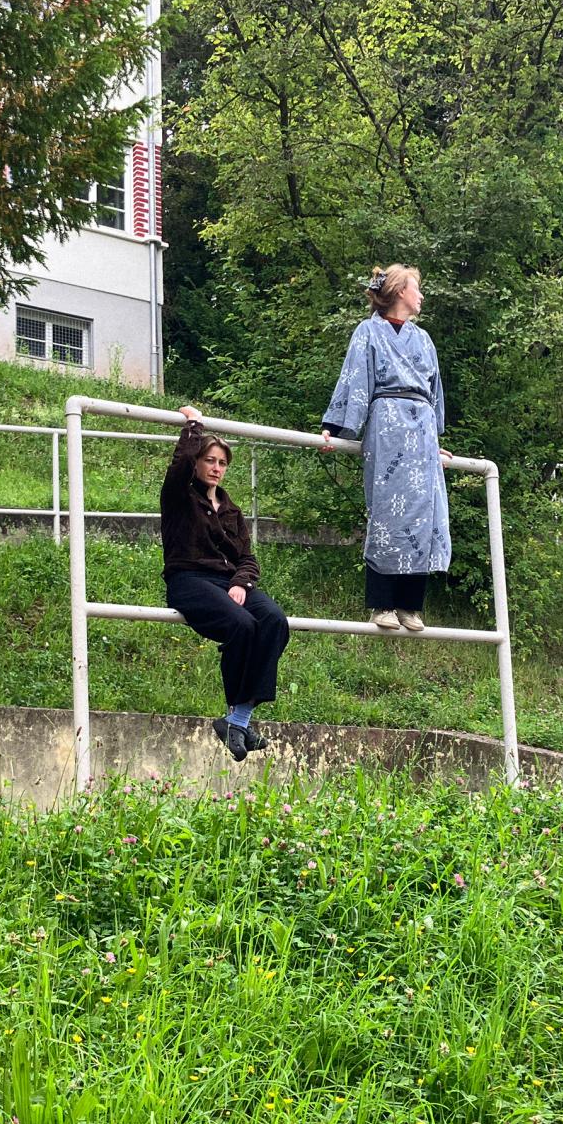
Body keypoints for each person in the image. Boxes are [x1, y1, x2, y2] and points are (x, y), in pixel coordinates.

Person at [319, 264, 454, 631]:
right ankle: (381, 604)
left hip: (422, 428)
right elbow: (355, 377)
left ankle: (411, 605)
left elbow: (435, 392)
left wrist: (435, 445)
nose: (422, 296)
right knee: (387, 514)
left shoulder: (423, 339)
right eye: (417, 289)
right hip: (388, 424)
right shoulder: (369, 332)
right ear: (398, 292)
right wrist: (336, 428)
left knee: (425, 514)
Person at [161, 405, 291, 762]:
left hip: (230, 582)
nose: (216, 468)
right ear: (198, 463)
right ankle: (238, 720)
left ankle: (237, 719)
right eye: (209, 460)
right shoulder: (179, 497)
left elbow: (248, 558)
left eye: (222, 462)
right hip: (189, 580)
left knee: (274, 621)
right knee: (242, 625)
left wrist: (241, 583)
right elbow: (178, 467)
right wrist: (193, 425)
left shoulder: (231, 510)